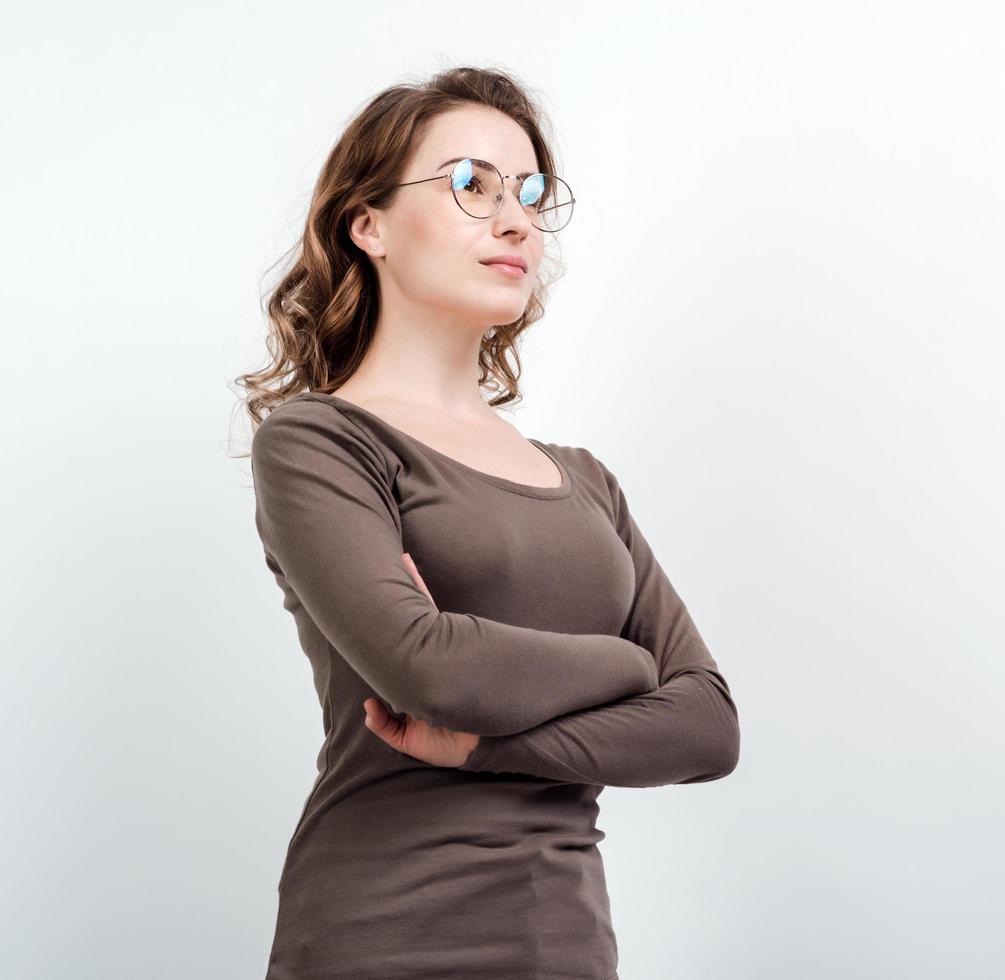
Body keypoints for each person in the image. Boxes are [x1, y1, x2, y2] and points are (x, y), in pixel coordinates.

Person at [233, 65, 740, 979]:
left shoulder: (586, 482)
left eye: (533, 193)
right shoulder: (321, 442)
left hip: (566, 940)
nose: (517, 219)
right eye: (472, 184)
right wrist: (629, 667)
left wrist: (488, 744)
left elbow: (707, 726)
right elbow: (432, 672)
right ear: (369, 224)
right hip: (382, 931)